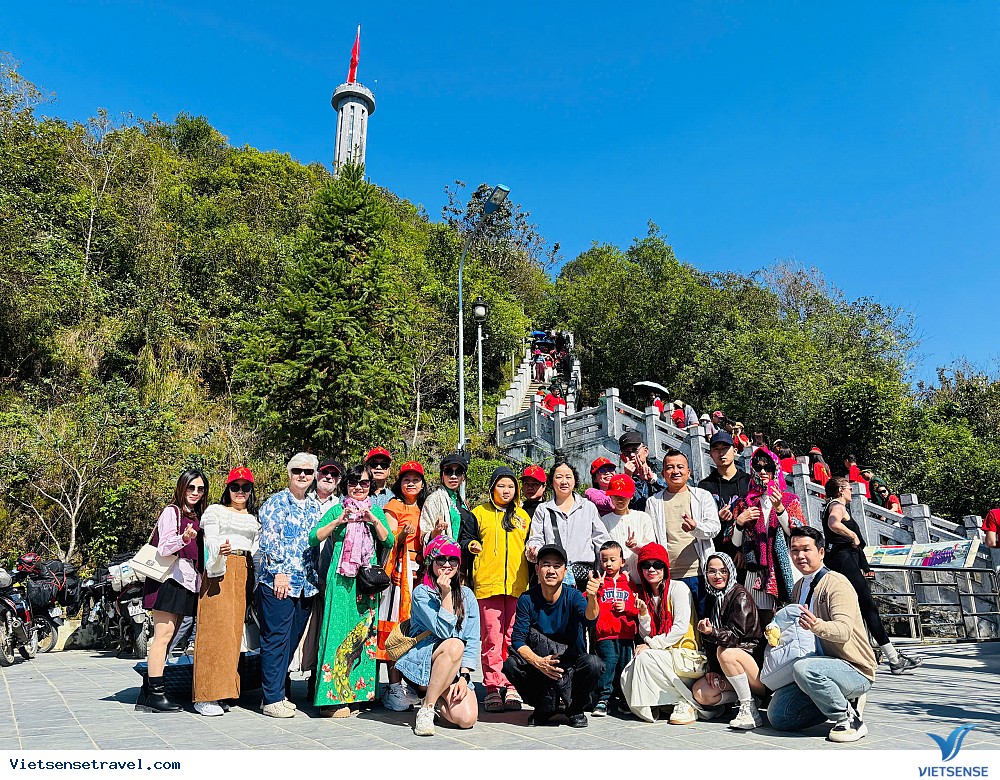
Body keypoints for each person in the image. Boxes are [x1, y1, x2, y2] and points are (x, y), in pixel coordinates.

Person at [767, 526, 878, 743]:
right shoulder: (798, 586)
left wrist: (817, 625)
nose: (800, 556)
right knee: (779, 716)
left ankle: (848, 717)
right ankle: (840, 701)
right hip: (819, 664)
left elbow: (844, 631)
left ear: (821, 552)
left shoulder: (836, 583)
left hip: (853, 668)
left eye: (806, 549)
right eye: (794, 550)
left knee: (804, 668)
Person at [309, 463, 394, 717]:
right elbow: (314, 537)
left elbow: (388, 539)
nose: (359, 487)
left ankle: (356, 694)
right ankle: (330, 700)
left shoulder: (375, 509)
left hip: (366, 581)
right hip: (341, 579)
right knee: (336, 634)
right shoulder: (337, 508)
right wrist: (338, 521)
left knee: (362, 637)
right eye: (354, 483)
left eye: (365, 483)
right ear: (346, 485)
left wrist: (374, 520)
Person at [822, 478, 921, 675]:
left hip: (840, 560)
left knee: (856, 609)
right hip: (844, 561)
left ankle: (871, 653)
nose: (852, 490)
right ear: (841, 490)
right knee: (868, 608)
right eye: (849, 488)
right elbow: (834, 523)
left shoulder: (830, 506)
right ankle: (894, 659)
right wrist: (852, 536)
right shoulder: (837, 507)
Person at [502, 544, 602, 728]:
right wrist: (538, 662)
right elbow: (517, 639)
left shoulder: (573, 596)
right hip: (541, 662)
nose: (551, 570)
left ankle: (575, 709)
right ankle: (543, 708)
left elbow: (589, 619)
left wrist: (592, 598)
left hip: (571, 663)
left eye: (557, 566)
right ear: (537, 569)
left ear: (565, 571)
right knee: (511, 664)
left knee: (593, 664)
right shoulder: (527, 599)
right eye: (546, 564)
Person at [255, 453, 322, 718]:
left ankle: (277, 692)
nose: (302, 475)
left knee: (292, 640)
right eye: (297, 471)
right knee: (275, 640)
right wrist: (279, 572)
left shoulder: (314, 506)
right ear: (289, 472)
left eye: (307, 471)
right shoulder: (276, 502)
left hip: (305, 583)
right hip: (279, 582)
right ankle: (271, 698)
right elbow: (269, 541)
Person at [136, 469, 208, 713]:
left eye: (200, 489)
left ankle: (148, 691)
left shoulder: (197, 516)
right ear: (182, 488)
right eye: (191, 488)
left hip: (187, 582)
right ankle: (156, 695)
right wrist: (184, 539)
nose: (196, 493)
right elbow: (164, 546)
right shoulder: (172, 512)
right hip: (169, 579)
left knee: (170, 638)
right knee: (163, 636)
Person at [394, 536, 480, 736]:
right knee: (454, 644)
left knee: (466, 719)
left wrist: (465, 676)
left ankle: (436, 695)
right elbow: (444, 632)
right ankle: (426, 709)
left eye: (453, 560)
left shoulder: (467, 595)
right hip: (424, 660)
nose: (447, 564)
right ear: (430, 561)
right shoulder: (422, 593)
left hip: (455, 667)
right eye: (441, 559)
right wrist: (446, 593)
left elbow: (473, 638)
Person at [461, 466, 531, 712]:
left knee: (513, 639)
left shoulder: (523, 516)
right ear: (492, 488)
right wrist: (470, 545)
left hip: (517, 586)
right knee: (492, 637)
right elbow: (464, 538)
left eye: (510, 486)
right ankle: (492, 686)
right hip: (487, 585)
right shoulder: (478, 513)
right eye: (501, 486)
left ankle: (512, 685)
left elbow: (531, 545)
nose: (506, 490)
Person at [192, 467, 260, 717]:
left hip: (244, 569)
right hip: (220, 567)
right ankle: (205, 695)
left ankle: (222, 691)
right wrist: (218, 555)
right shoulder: (215, 511)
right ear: (227, 489)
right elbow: (209, 539)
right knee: (214, 631)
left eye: (245, 487)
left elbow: (257, 547)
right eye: (235, 486)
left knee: (232, 635)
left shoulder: (253, 518)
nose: (240, 492)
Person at [618, 543, 699, 724]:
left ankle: (684, 701)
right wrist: (644, 615)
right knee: (628, 672)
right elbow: (646, 633)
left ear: (665, 568)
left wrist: (651, 645)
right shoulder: (645, 595)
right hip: (663, 652)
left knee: (644, 658)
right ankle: (663, 702)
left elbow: (680, 628)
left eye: (657, 565)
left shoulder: (678, 589)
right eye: (646, 565)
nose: (651, 569)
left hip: (684, 654)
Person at [729, 448, 804, 625]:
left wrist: (779, 509)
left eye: (768, 467)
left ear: (775, 470)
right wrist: (739, 522)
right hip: (755, 571)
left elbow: (797, 533)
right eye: (758, 467)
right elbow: (736, 543)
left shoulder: (789, 499)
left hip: (784, 565)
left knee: (789, 620)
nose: (762, 472)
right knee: (759, 621)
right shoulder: (745, 502)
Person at [692, 552, 766, 730]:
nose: (717, 576)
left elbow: (734, 637)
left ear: (731, 571)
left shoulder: (739, 596)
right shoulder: (712, 597)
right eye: (712, 571)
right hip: (728, 667)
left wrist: (711, 632)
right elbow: (710, 640)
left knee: (725, 651)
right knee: (701, 693)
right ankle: (749, 699)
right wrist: (713, 669)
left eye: (723, 571)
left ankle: (749, 709)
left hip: (752, 665)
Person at [645, 449, 721, 613]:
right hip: (669, 576)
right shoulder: (653, 502)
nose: (675, 471)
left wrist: (696, 528)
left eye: (680, 467)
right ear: (663, 473)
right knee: (676, 626)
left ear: (688, 471)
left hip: (699, 572)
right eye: (670, 467)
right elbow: (651, 539)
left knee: (704, 623)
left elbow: (715, 527)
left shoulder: (702, 496)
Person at [380, 461, 428, 712]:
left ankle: (412, 681)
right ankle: (394, 685)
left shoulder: (424, 507)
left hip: (419, 571)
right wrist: (401, 535)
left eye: (416, 479)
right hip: (399, 569)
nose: (411, 483)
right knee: (395, 626)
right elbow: (388, 539)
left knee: (415, 628)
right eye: (406, 479)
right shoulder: (394, 506)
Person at [526, 460, 610, 590]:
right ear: (552, 482)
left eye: (568, 477)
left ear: (574, 481)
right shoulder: (543, 509)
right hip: (552, 576)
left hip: (584, 577)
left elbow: (601, 540)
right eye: (559, 477)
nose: (564, 481)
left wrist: (607, 568)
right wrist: (534, 550)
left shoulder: (588, 507)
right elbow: (536, 538)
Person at [592, 541, 639, 717]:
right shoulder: (598, 582)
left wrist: (627, 608)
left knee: (625, 667)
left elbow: (638, 608)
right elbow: (587, 604)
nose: (608, 564)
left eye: (613, 559)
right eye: (604, 560)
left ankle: (624, 698)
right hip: (605, 635)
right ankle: (603, 699)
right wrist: (596, 591)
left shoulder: (629, 583)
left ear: (622, 561)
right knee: (608, 666)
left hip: (626, 635)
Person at [697, 430, 752, 561]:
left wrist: (745, 550)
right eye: (716, 449)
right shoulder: (704, 486)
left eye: (726, 448)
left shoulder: (749, 482)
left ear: (735, 450)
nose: (721, 453)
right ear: (710, 454)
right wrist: (718, 518)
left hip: (747, 554)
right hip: (717, 555)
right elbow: (701, 523)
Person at [598, 474, 656, 579]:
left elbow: (652, 550)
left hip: (642, 578)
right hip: (616, 581)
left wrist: (636, 545)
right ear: (610, 496)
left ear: (632, 495)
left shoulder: (643, 518)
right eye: (616, 496)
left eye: (624, 496)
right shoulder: (604, 521)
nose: (620, 500)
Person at [420, 452, 469, 544]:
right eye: (448, 472)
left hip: (463, 556)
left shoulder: (464, 503)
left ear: (463, 477)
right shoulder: (433, 500)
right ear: (442, 475)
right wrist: (436, 531)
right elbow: (423, 537)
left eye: (458, 472)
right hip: (444, 556)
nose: (453, 476)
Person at [618, 431, 663, 511]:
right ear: (622, 457)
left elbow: (673, 492)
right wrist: (628, 479)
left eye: (635, 450)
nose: (631, 455)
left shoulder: (661, 472)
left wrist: (653, 480)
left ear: (645, 451)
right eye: (626, 453)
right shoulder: (620, 481)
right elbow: (620, 505)